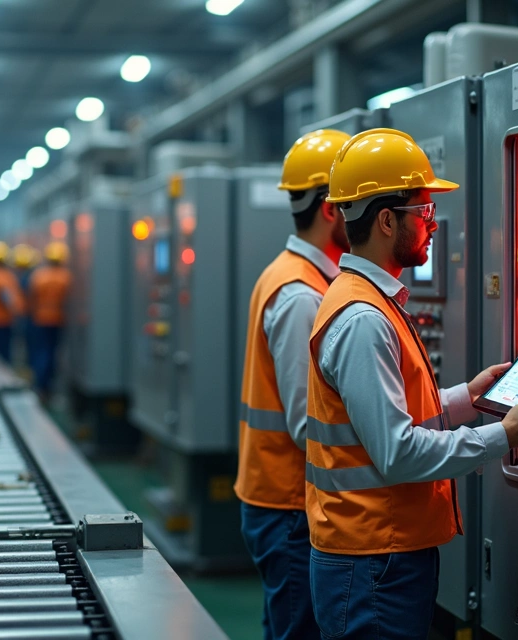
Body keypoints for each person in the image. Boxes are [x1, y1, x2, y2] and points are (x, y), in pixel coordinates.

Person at [305, 129, 518, 639]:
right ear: (386, 220)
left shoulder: (365, 299)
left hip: (379, 554)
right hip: (373, 562)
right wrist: (504, 435)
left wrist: (469, 397)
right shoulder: (364, 319)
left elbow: (387, 415)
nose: (433, 224)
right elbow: (397, 451)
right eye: (424, 211)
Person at [235, 129, 352, 640]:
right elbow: (309, 425)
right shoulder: (302, 293)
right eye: (357, 202)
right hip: (287, 505)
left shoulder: (297, 276)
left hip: (279, 497)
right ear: (330, 208)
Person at [28, 241, 72, 404]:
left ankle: (40, 386)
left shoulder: (38, 276)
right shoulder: (65, 277)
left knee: (41, 352)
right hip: (58, 320)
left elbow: (31, 298)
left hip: (40, 318)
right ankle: (47, 388)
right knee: (52, 353)